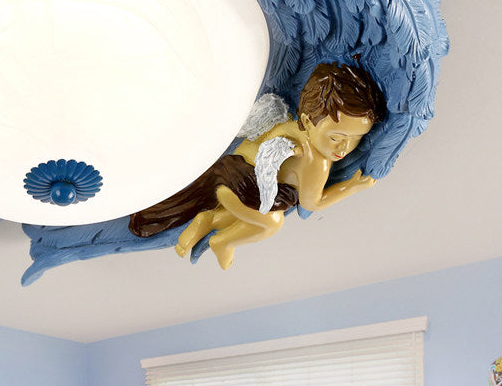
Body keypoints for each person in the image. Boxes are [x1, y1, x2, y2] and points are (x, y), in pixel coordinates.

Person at [128, 62, 387, 270]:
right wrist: (352, 187)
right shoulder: (316, 162)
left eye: (356, 139)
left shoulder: (287, 122)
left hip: (228, 176)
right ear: (308, 122)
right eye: (336, 138)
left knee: (260, 206)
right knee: (272, 221)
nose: (344, 148)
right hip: (241, 188)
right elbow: (313, 203)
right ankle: (223, 242)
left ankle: (207, 220)